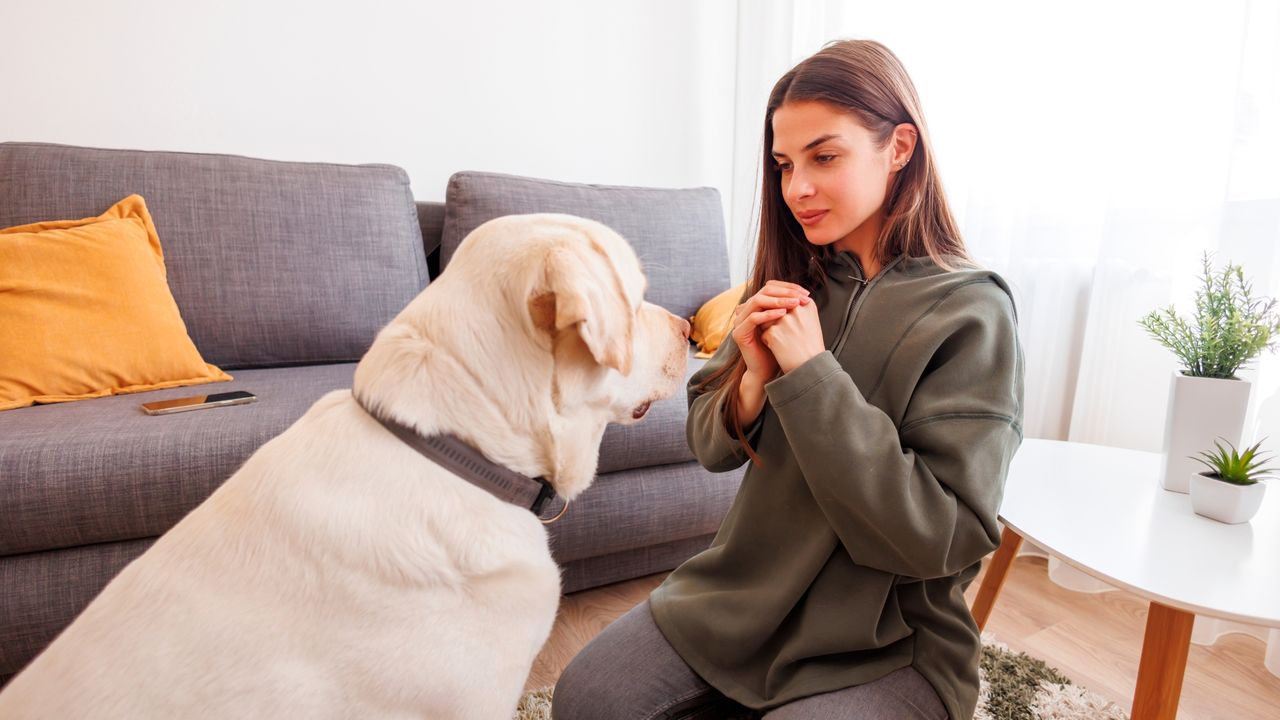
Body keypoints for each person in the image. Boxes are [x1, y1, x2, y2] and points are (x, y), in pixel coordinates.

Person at [553, 39, 1024, 720]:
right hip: (739, 597)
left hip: (888, 644)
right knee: (586, 699)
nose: (796, 187)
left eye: (824, 156)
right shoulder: (790, 284)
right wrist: (752, 383)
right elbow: (710, 447)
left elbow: (940, 536)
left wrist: (810, 375)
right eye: (783, 164)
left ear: (898, 148)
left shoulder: (972, 310)